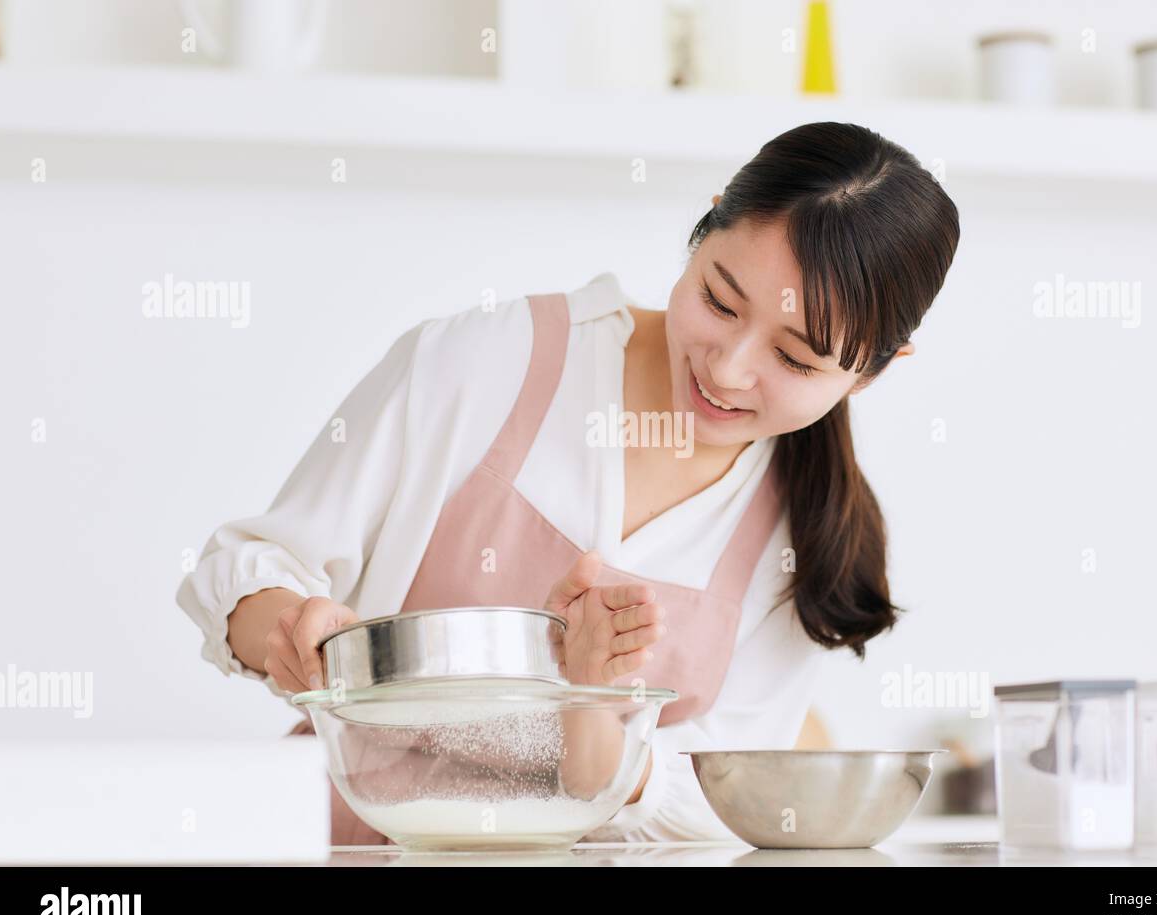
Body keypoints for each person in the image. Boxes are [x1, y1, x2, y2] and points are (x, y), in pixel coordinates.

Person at [176, 120, 960, 843]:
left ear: (874, 371)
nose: (729, 369)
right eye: (721, 300)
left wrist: (598, 716)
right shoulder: (488, 362)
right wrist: (286, 628)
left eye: (795, 358)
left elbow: (717, 807)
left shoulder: (810, 540)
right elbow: (245, 567)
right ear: (707, 221)